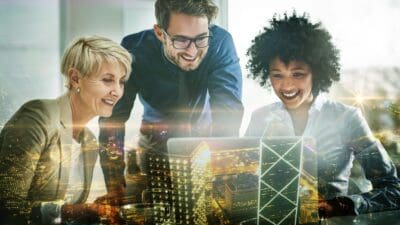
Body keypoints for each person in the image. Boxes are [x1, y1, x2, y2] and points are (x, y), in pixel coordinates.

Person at [245, 12, 400, 218]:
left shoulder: (347, 118)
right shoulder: (259, 118)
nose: (287, 85)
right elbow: (243, 178)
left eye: (297, 74)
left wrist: (343, 205)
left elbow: (393, 191)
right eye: (277, 75)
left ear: (316, 72)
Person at [99, 0, 244, 193]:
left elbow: (228, 112)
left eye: (201, 38)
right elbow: (113, 119)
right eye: (181, 40)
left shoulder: (220, 43)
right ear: (160, 33)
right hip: (153, 144)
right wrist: (113, 182)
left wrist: (220, 173)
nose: (192, 51)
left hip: (205, 142)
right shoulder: (133, 51)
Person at [0, 36, 132, 225]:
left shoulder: (89, 141)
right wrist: (72, 212)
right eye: (108, 80)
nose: (117, 91)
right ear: (75, 78)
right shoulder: (38, 117)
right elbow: (6, 208)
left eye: (121, 81)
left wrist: (99, 207)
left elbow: (68, 210)